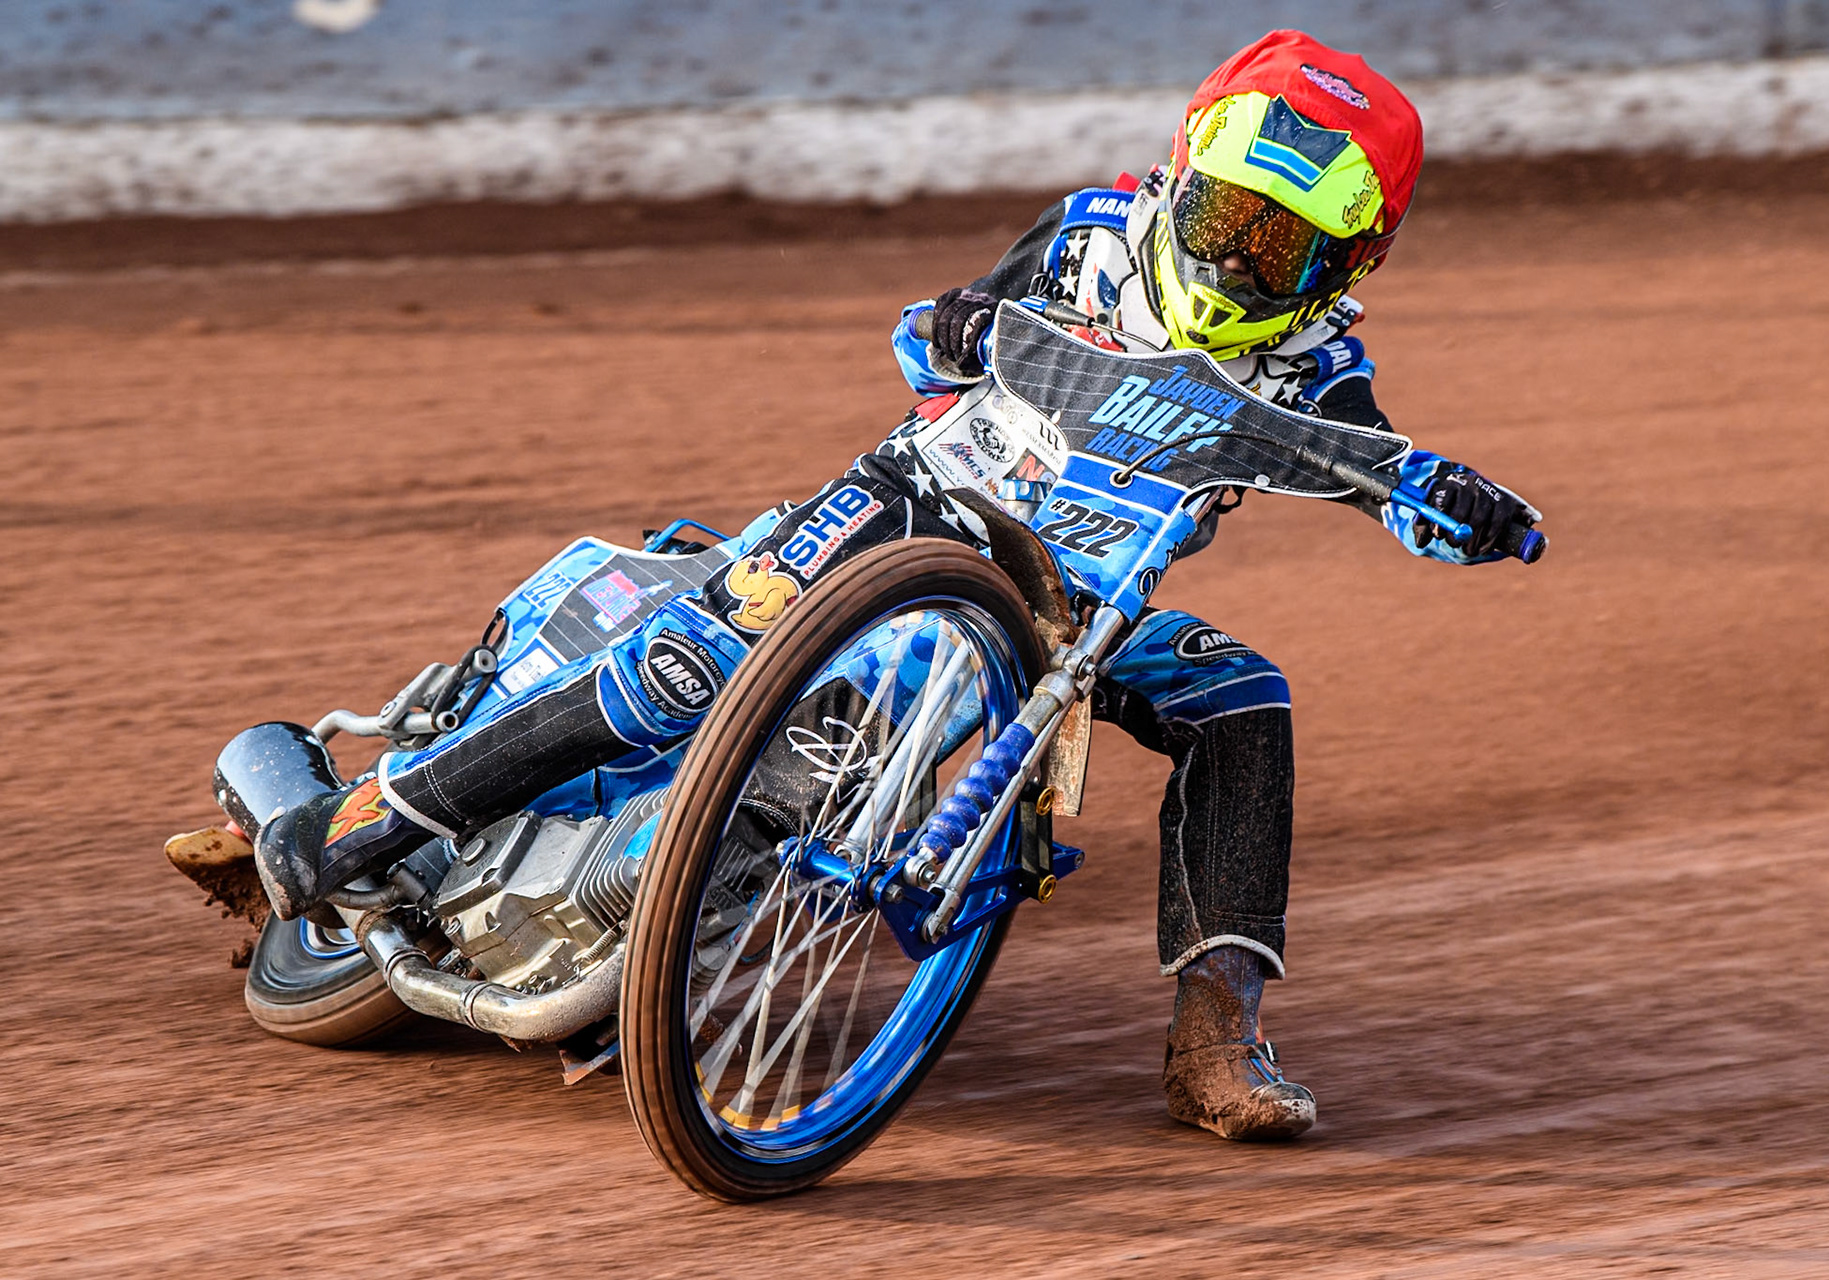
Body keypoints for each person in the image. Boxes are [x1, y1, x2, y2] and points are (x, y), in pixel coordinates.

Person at [255, 30, 1525, 1143]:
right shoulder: (1088, 237)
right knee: (677, 674)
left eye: (1285, 247)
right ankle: (366, 824)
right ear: (1181, 176)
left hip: (1073, 604)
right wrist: (963, 328)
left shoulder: (1321, 372)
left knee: (1242, 698)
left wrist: (1456, 509)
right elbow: (927, 333)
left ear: (1352, 265)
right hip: (906, 507)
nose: (1244, 262)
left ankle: (1217, 1036)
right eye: (1227, 221)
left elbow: (1390, 482)